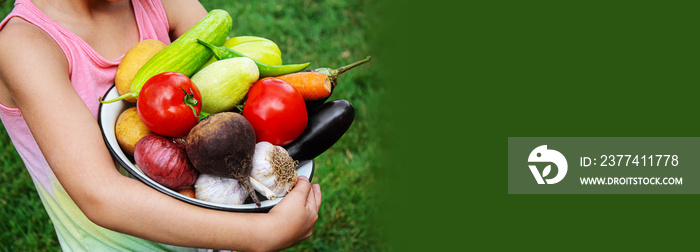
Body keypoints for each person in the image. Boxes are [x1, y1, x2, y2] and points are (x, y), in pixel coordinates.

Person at [0, 0, 322, 251]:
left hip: (221, 236)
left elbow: (230, 86)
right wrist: (261, 234)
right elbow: (100, 195)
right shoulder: (24, 46)